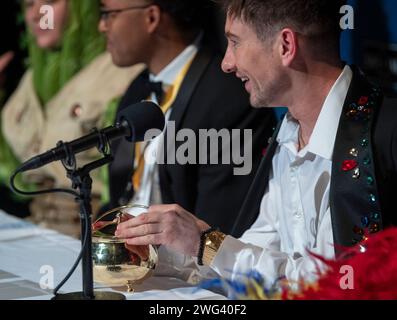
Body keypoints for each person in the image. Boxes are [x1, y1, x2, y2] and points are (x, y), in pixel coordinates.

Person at [115, 0, 397, 286]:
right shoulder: (287, 133)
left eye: (235, 42)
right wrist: (162, 248)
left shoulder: (379, 139)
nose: (226, 63)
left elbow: (325, 283)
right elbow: (259, 254)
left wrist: (206, 242)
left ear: (286, 45)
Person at [99, 0, 276, 234]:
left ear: (151, 17)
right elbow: (121, 193)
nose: (102, 26)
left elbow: (219, 227)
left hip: (187, 265)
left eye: (109, 14)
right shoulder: (138, 89)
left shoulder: (228, 97)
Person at [1, 0, 143, 237]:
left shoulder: (121, 74)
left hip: (89, 235)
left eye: (50, 2)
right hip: (37, 228)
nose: (37, 15)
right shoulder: (32, 78)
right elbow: (14, 177)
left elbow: (125, 184)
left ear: (82, 8)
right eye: (28, 5)